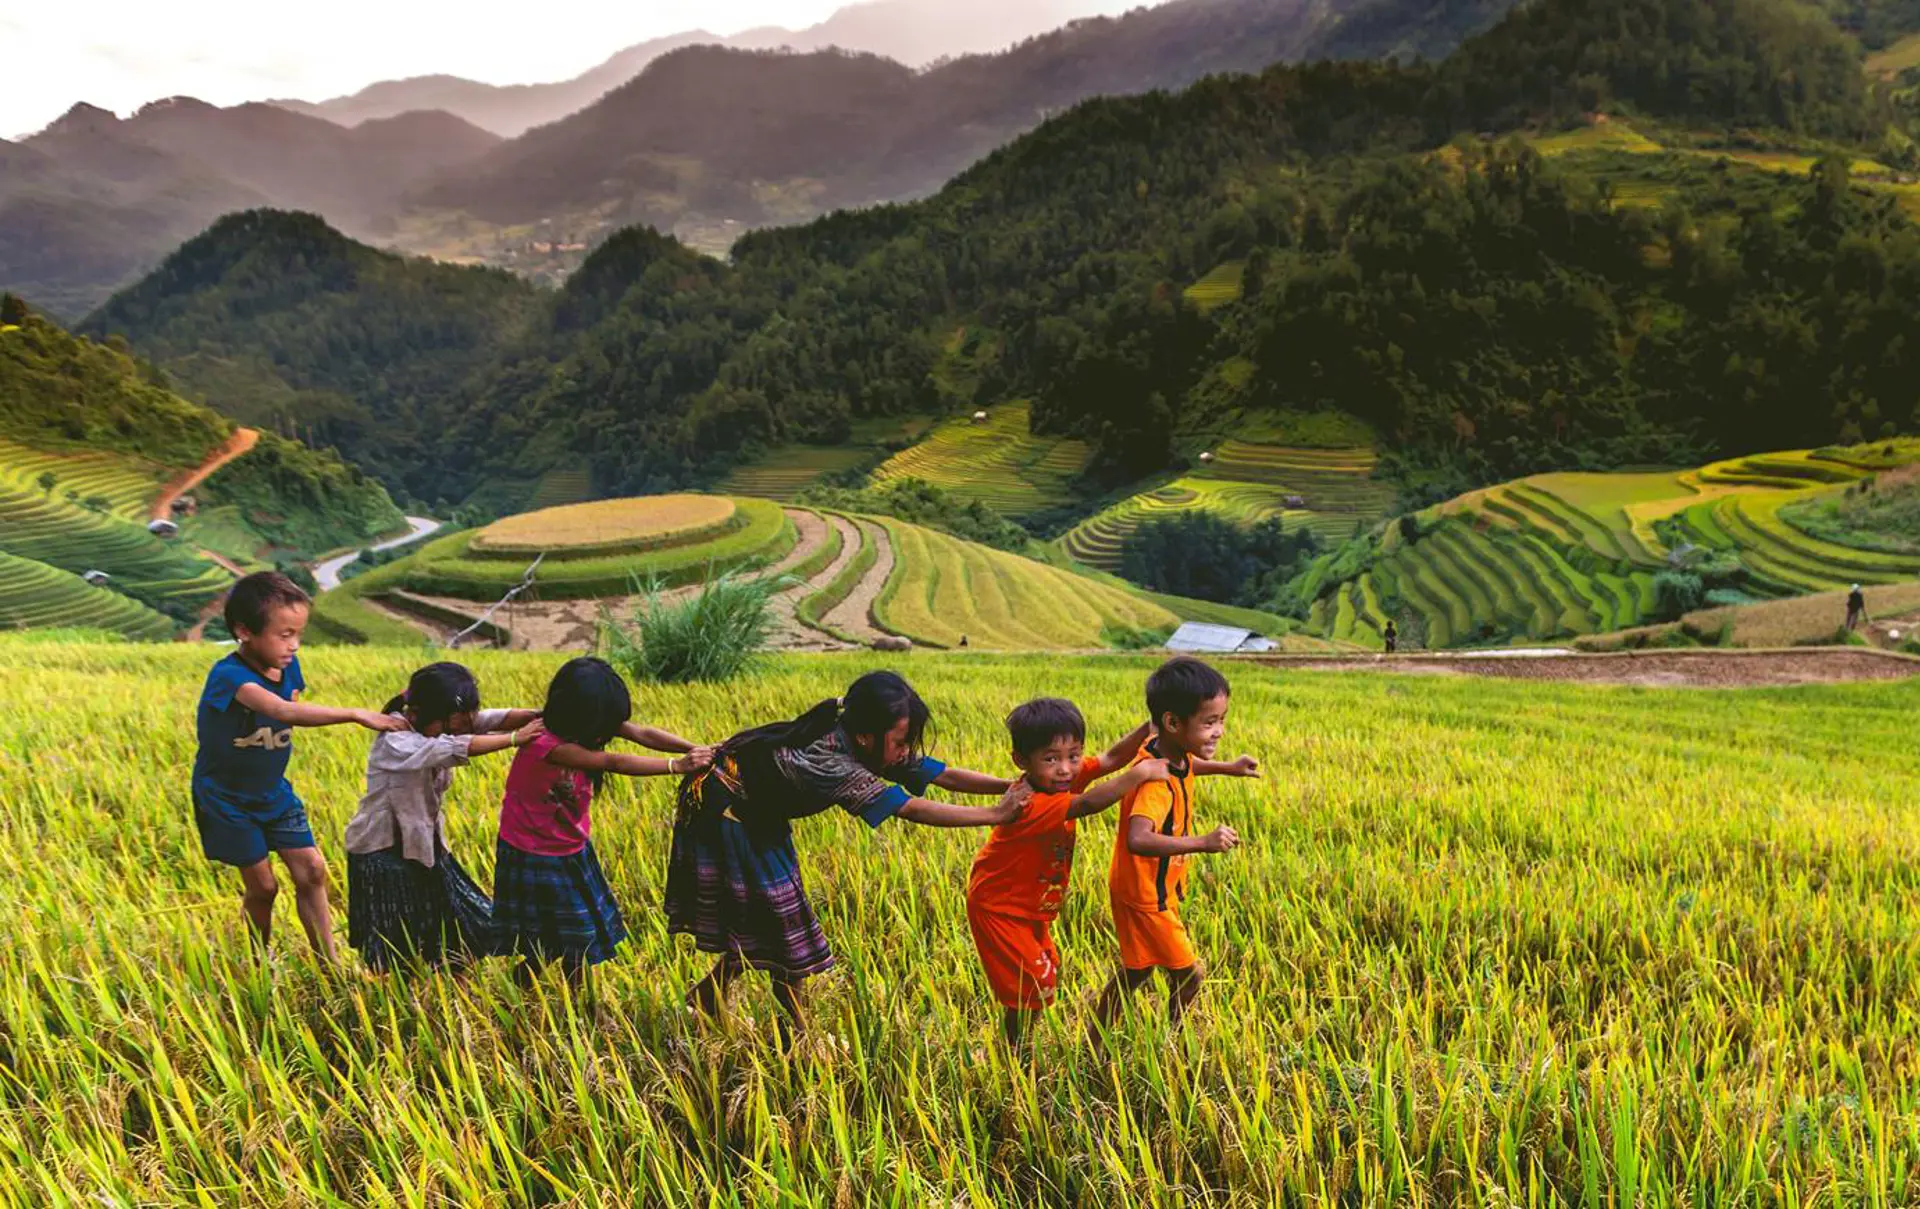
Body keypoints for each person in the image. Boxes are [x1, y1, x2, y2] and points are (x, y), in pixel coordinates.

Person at [667, 670, 1028, 1046]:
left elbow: (943, 776)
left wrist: (1011, 786)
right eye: (901, 742)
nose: (906, 752)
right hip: (725, 816)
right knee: (783, 926)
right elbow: (910, 808)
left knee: (767, 920)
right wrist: (996, 815)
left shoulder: (867, 738)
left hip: (756, 813)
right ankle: (799, 1033)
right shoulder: (832, 761)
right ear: (865, 736)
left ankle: (709, 997)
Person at [192, 571, 404, 963]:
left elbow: (290, 698)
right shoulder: (229, 676)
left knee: (311, 871)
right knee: (264, 888)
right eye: (284, 634)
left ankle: (330, 965)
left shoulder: (288, 667)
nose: (294, 645)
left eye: (299, 634)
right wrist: (355, 714)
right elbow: (282, 709)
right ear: (244, 631)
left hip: (273, 791)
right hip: (227, 798)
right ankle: (258, 962)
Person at [492, 657, 711, 990]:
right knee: (575, 938)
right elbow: (612, 760)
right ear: (581, 715)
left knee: (561, 934)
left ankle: (525, 982)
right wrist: (676, 766)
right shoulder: (548, 744)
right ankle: (582, 1007)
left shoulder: (582, 723)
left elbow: (642, 733)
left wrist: (697, 749)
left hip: (568, 846)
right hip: (535, 852)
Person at [966, 700, 1163, 1051]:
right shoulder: (1030, 802)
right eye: (1051, 758)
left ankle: (1016, 1043)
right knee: (1032, 986)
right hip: (1000, 907)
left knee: (1042, 979)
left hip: (1030, 905)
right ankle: (1014, 1052)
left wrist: (1150, 726)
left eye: (1074, 755)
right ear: (1022, 762)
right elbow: (1087, 804)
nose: (1066, 769)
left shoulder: (1061, 779)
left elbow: (1109, 759)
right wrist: (1138, 775)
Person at [342, 662, 541, 973]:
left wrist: (543, 716)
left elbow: (492, 719)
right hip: (383, 853)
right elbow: (454, 747)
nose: (460, 728)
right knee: (395, 947)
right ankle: (400, 1007)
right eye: (453, 724)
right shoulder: (396, 738)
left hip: (425, 847)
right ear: (420, 713)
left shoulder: (440, 722)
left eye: (462, 723)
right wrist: (515, 739)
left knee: (463, 925)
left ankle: (452, 994)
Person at [1093, 656, 1251, 1034]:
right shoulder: (1155, 781)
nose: (1219, 732)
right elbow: (1138, 838)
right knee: (1189, 974)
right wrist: (1203, 842)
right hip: (1147, 895)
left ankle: (1095, 1037)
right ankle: (1173, 1041)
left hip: (1143, 887)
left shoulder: (1170, 752)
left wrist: (1228, 767)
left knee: (1137, 970)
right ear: (1173, 723)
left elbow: (1191, 767)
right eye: (1209, 722)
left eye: (1222, 720)